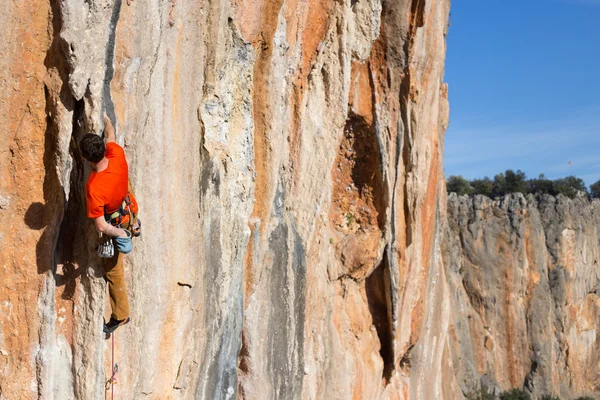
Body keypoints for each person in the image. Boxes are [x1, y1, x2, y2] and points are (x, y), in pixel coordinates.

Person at [80, 114, 138, 334]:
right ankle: (133, 225)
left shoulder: (94, 187)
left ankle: (120, 316)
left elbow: (101, 226)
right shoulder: (116, 153)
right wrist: (105, 118)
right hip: (128, 205)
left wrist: (120, 234)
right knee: (123, 181)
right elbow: (111, 133)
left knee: (114, 272)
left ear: (86, 159)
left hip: (116, 218)